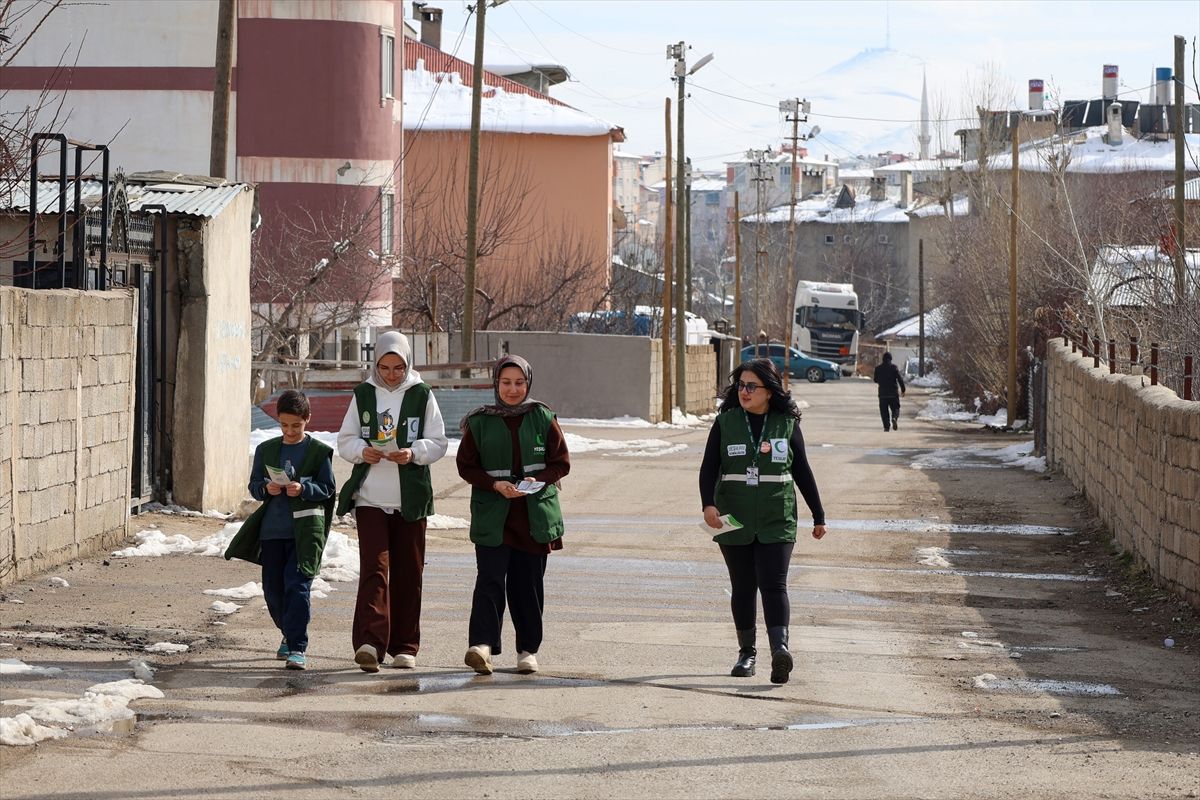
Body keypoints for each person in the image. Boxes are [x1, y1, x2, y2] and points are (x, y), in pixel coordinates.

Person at [699, 358, 826, 684]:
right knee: (743, 586)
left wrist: (818, 515)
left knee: (774, 584)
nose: (744, 391)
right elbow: (708, 467)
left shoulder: (786, 423)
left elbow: (803, 472)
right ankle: (747, 653)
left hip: (776, 517)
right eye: (741, 385)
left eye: (751, 386)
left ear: (769, 391)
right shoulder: (726, 422)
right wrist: (708, 506)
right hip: (735, 517)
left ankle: (779, 649)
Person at [336, 331, 448, 673]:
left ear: (408, 363)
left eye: (398, 367)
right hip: (370, 497)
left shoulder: (421, 394)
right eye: (385, 367)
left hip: (409, 500)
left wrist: (413, 453)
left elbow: (439, 442)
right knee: (375, 568)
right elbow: (345, 439)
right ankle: (369, 643)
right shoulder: (363, 394)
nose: (391, 374)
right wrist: (362, 451)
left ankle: (404, 646)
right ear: (375, 364)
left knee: (408, 572)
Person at [456, 355, 570, 676]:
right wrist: (494, 484)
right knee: (489, 580)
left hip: (534, 517)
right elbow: (466, 466)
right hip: (494, 515)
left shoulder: (542, 417)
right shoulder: (480, 421)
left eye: (519, 383)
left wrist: (541, 479)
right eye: (506, 382)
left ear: (528, 383)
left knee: (527, 585)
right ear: (496, 383)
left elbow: (561, 462)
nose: (512, 389)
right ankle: (481, 645)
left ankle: (527, 650)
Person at [226, 390, 336, 671]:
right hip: (272, 532)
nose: (290, 431)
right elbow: (254, 486)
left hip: (304, 533)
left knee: (297, 588)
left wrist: (304, 489)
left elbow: (328, 489)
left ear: (307, 419)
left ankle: (298, 647)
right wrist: (266, 488)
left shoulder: (318, 452)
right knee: (273, 591)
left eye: (296, 426)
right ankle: (288, 632)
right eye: (284, 425)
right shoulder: (267, 450)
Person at [873, 351, 906, 431]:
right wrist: (903, 389)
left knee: (884, 411)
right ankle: (894, 417)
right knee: (896, 408)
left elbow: (875, 380)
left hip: (882, 394)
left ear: (883, 359)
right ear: (890, 359)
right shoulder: (894, 368)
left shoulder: (878, 368)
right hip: (893, 393)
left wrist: (881, 381)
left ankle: (886, 427)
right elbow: (899, 379)